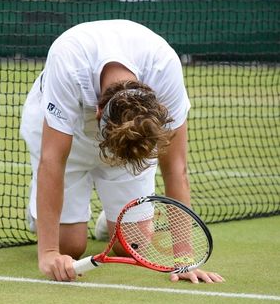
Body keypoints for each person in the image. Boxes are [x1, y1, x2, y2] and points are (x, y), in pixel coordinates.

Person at [19, 20, 225, 284]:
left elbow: (176, 168)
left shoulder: (164, 68)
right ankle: (38, 212)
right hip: (61, 131)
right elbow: (52, 161)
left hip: (132, 136)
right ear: (97, 112)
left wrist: (184, 258)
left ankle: (113, 220)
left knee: (133, 246)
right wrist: (48, 253)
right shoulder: (68, 61)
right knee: (69, 247)